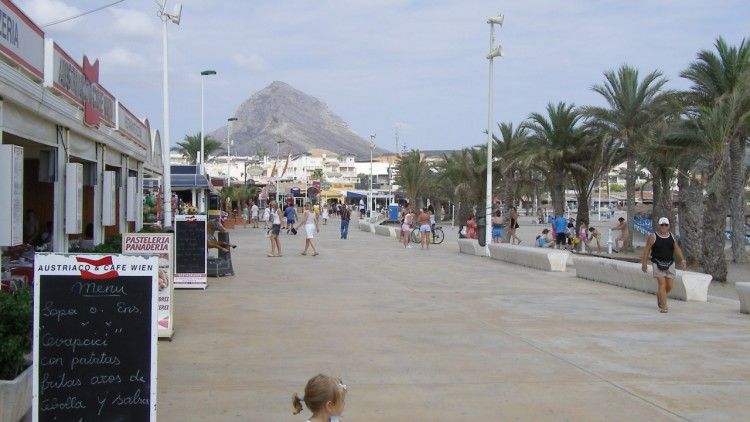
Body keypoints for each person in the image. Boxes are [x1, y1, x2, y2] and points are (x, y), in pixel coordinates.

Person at [641, 217, 687, 313]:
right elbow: (646, 250)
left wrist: (682, 260)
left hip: (670, 263)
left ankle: (660, 296)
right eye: (662, 225)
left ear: (669, 226)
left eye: (666, 225)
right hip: (657, 262)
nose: (664, 227)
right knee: (662, 284)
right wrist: (644, 264)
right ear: (659, 225)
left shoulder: (671, 236)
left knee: (669, 285)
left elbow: (676, 248)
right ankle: (664, 306)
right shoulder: (653, 237)